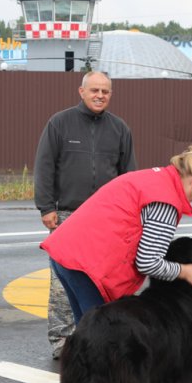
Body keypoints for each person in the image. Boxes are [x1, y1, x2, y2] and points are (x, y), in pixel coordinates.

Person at [41, 141, 192, 383]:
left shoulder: (152, 178)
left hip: (68, 253)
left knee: (89, 345)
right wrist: (186, 270)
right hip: (88, 266)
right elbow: (148, 260)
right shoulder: (166, 201)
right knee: (107, 353)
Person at [33, 70, 137, 360]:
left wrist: (130, 217)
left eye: (105, 91)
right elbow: (44, 166)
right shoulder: (60, 123)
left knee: (101, 282)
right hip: (68, 216)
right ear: (82, 92)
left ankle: (101, 339)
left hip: (107, 222)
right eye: (94, 90)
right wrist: (46, 207)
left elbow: (129, 176)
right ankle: (63, 341)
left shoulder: (119, 129)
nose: (99, 95)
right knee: (62, 285)